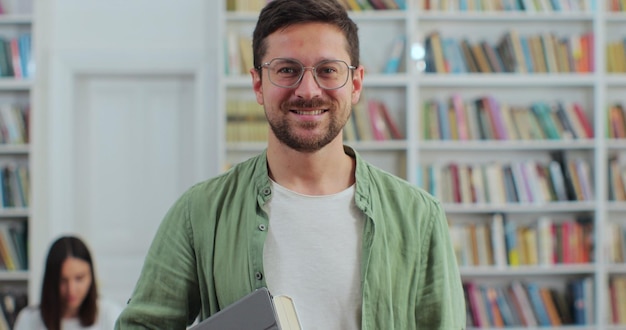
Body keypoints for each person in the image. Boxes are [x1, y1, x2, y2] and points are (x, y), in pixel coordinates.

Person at [116, 0, 465, 328]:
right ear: (258, 84)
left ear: (356, 84)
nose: (308, 90)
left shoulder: (419, 216)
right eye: (287, 70)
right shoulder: (200, 213)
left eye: (328, 70)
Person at [14, 235, 122, 330]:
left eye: (79, 278)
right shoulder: (28, 319)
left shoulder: (110, 314)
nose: (71, 289)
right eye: (62, 280)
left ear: (91, 276)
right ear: (51, 281)